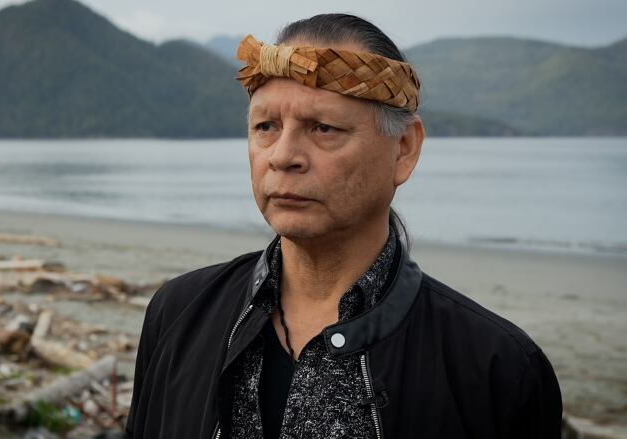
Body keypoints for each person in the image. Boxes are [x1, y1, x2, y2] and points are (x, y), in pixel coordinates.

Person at [127, 14, 562, 439]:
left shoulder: (495, 368)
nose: (283, 156)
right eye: (266, 127)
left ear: (404, 149)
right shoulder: (178, 312)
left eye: (323, 128)